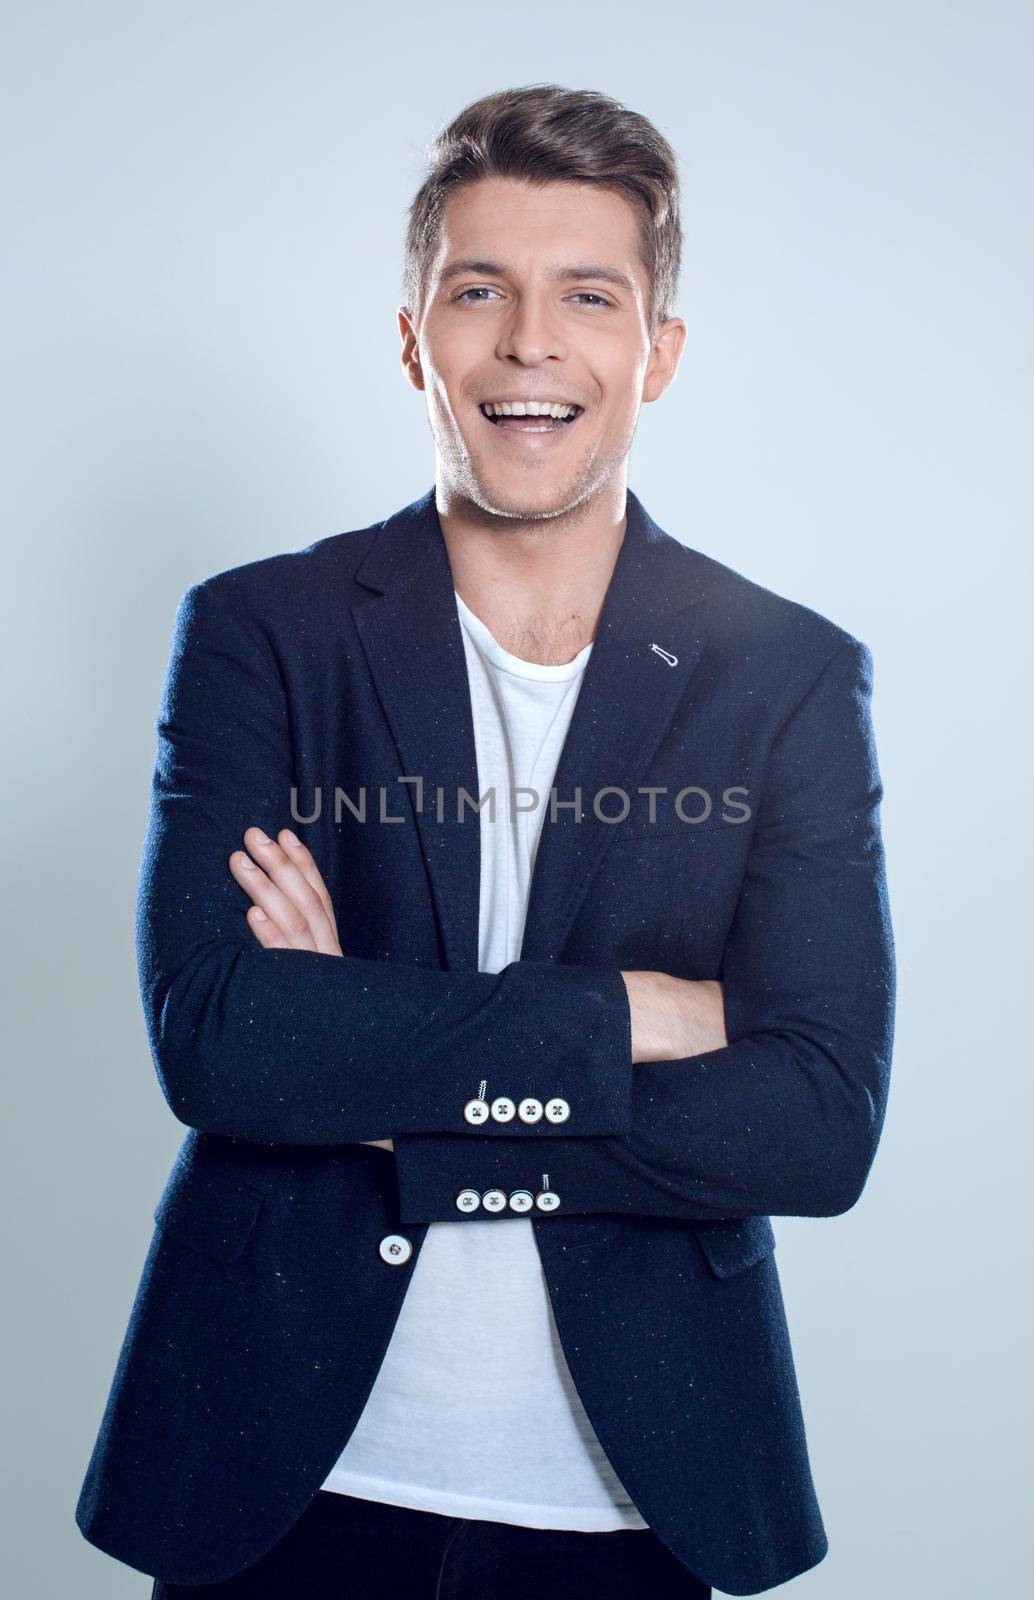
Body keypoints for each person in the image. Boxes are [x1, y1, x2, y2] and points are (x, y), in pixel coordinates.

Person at [75, 83, 895, 1598]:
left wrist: (380, 1081)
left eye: (587, 294)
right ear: (412, 337)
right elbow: (225, 1043)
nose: (529, 341)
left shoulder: (782, 675)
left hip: (635, 1481)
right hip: (279, 1459)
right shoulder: (266, 629)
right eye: (478, 290)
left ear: (656, 351)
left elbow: (814, 1123)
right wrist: (626, 1020)